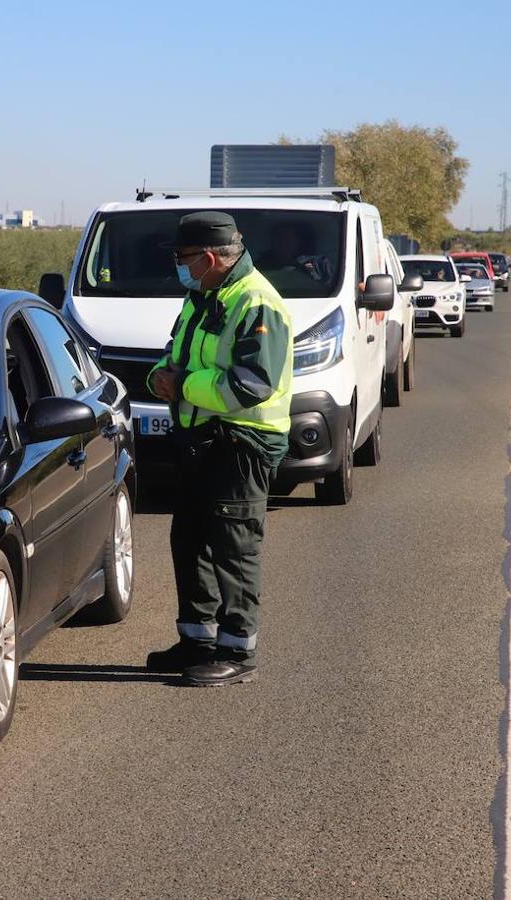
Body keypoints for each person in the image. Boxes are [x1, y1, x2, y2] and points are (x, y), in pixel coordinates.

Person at [145, 211, 293, 687]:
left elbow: (253, 384)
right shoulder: (202, 295)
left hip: (242, 443)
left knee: (233, 547)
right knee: (189, 541)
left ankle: (237, 650)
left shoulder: (256, 303)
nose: (178, 266)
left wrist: (182, 385)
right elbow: (174, 354)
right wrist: (159, 378)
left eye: (183, 258)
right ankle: (198, 641)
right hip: (200, 439)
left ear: (209, 258)